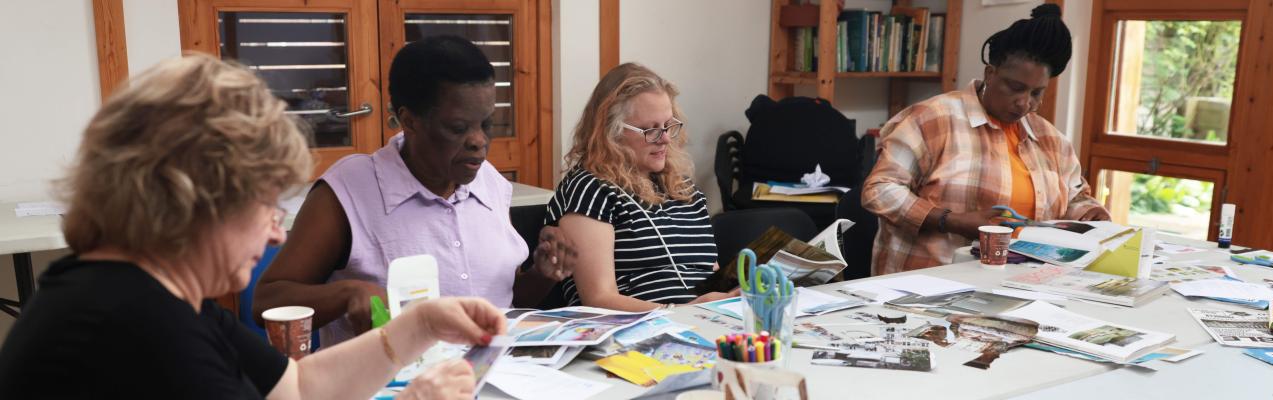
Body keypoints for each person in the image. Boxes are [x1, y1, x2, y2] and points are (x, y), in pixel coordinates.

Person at [0, 54, 504, 399]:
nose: (276, 235)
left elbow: (300, 388)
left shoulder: (146, 296)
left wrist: (417, 326)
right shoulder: (135, 328)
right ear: (195, 202)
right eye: (266, 206)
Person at [254, 35, 574, 346]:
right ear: (409, 120)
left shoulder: (490, 183)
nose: (479, 140)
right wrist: (347, 294)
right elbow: (266, 301)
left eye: (487, 124)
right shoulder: (350, 191)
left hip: (496, 379)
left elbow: (502, 299)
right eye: (458, 128)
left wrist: (541, 275)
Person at [862, 4, 1110, 275]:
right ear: (990, 74)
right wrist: (951, 221)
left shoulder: (1051, 140)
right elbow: (879, 190)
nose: (1024, 103)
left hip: (1020, 283)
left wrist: (1090, 212)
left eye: (1037, 93)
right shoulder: (932, 119)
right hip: (929, 284)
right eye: (1016, 88)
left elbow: (1075, 198)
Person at [546, 63, 737, 311]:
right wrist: (687, 312)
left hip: (700, 322)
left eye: (668, 125)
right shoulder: (590, 189)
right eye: (650, 129)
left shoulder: (684, 189)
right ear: (610, 131)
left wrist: (733, 293)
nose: (666, 138)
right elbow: (598, 299)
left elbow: (709, 279)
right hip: (634, 331)